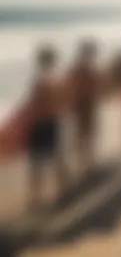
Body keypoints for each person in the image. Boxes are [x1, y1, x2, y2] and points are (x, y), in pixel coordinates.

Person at [26, 44, 68, 210]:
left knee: (37, 161)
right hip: (54, 120)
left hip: (41, 123)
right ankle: (63, 190)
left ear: (42, 60)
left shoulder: (42, 80)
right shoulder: (57, 77)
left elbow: (35, 104)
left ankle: (37, 197)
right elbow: (63, 101)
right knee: (57, 156)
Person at [66, 40, 103, 176]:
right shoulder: (85, 68)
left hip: (85, 103)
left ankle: (86, 163)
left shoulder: (81, 67)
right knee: (86, 134)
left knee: (85, 134)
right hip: (84, 104)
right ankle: (86, 163)